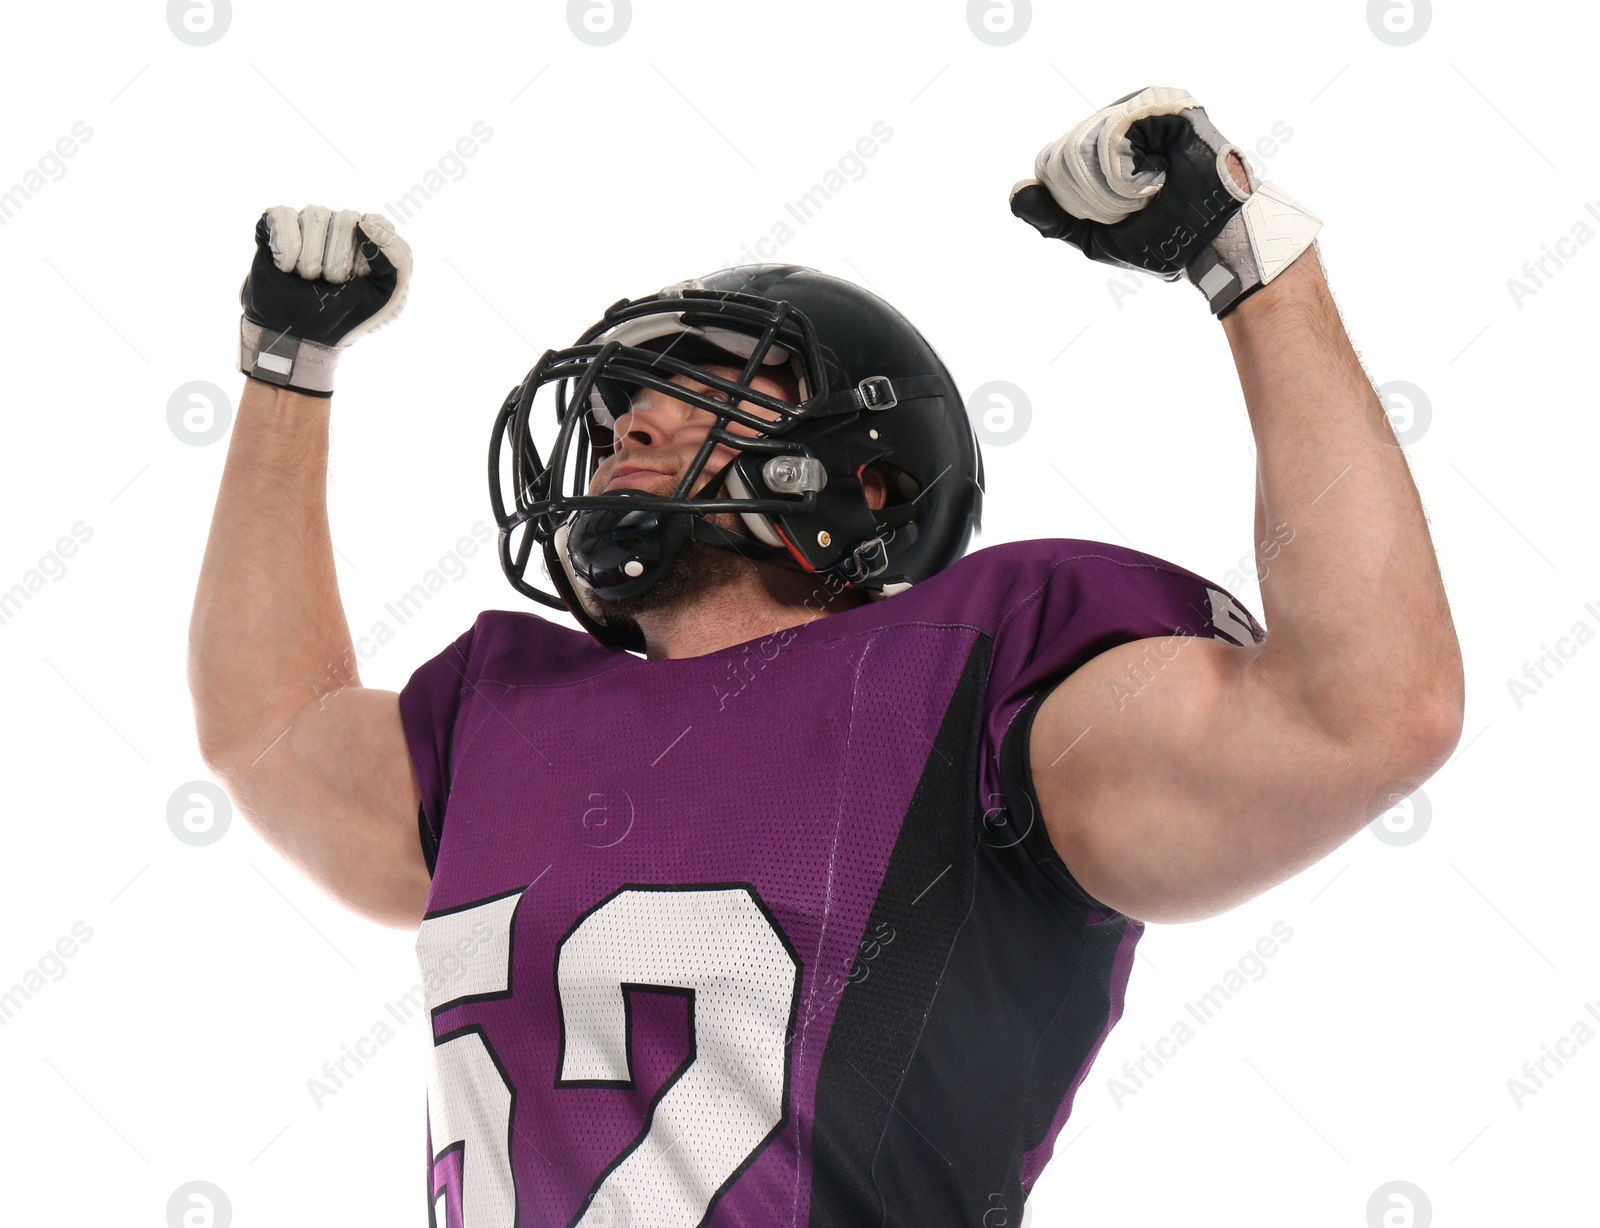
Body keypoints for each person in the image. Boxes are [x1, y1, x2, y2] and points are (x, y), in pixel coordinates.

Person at [189, 87, 1464, 1227]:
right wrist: (284, 369)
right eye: (620, 397)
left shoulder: (971, 678)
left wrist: (1250, 264)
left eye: (704, 379)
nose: (629, 415)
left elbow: (1366, 713)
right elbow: (268, 723)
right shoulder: (503, 714)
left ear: (865, 474)